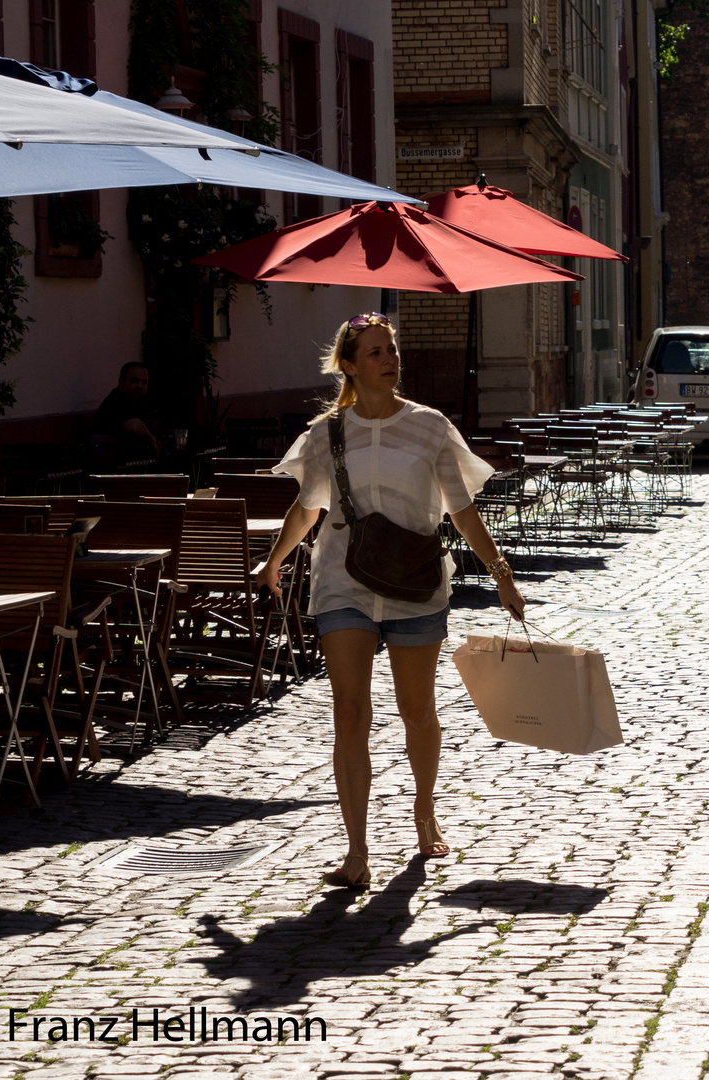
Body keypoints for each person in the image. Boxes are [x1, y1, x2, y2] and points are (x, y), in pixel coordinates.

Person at [256, 313, 526, 891]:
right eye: (376, 352)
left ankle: (424, 812)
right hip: (343, 579)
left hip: (415, 581)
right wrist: (277, 558)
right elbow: (309, 506)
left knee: (416, 709)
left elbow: (461, 510)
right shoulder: (327, 433)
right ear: (349, 366)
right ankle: (356, 851)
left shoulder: (430, 427)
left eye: (392, 349)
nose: (389, 358)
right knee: (350, 712)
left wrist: (501, 573)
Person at [92, 361, 160, 461]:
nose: (140, 386)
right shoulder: (116, 400)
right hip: (110, 466)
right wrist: (151, 439)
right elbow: (133, 425)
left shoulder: (138, 401)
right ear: (121, 382)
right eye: (134, 381)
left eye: (144, 382)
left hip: (129, 463)